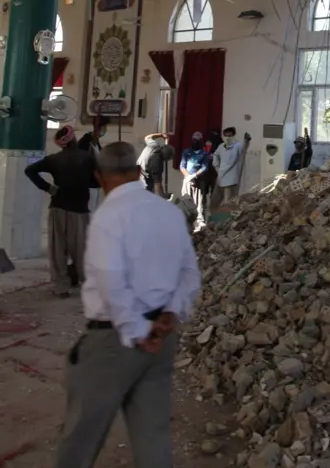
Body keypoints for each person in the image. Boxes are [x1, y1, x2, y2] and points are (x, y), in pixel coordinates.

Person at [53, 141, 201, 468]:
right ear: (137, 171)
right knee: (153, 435)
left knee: (81, 437)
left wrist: (140, 331)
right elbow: (190, 273)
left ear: (98, 176)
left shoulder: (108, 217)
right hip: (162, 338)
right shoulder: (169, 212)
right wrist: (169, 315)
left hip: (115, 341)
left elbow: (112, 285)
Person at [24, 124, 98, 297]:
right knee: (81, 250)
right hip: (79, 210)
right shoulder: (87, 158)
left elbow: (30, 170)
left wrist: (48, 188)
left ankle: (61, 287)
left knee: (58, 249)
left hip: (58, 207)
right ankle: (88, 284)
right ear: (73, 138)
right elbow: (97, 181)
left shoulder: (54, 159)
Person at [179, 131, 210, 228]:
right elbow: (182, 166)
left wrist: (194, 176)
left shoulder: (204, 154)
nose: (195, 142)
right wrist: (188, 176)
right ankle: (185, 220)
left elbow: (204, 167)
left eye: (198, 140)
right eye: (194, 140)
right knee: (186, 200)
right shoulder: (186, 152)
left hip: (198, 182)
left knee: (198, 202)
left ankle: (198, 222)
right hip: (187, 180)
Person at [212, 127, 250, 204]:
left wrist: (246, 140)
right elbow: (215, 155)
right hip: (221, 176)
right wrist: (217, 167)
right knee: (217, 200)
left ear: (233, 136)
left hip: (231, 178)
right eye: (226, 135)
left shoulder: (237, 145)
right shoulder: (221, 146)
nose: (227, 138)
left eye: (229, 136)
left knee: (229, 200)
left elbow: (244, 146)